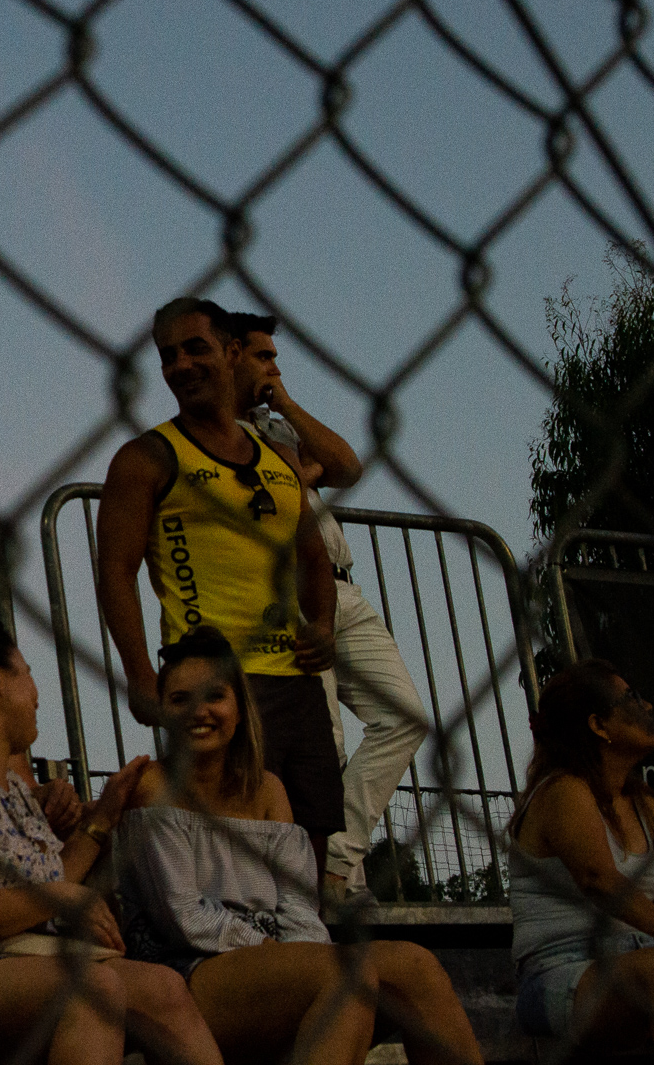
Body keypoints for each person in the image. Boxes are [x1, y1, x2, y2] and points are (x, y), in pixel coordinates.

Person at [118, 630, 483, 1065]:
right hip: (188, 970)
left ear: (239, 708)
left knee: (415, 966)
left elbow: (298, 905)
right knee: (345, 974)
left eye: (215, 696)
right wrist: (281, 954)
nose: (200, 711)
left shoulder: (268, 789)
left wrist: (301, 953)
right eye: (181, 700)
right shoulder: (153, 785)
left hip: (277, 959)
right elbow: (185, 917)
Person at [0, 615, 224, 1065]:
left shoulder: (13, 786)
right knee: (96, 987)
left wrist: (105, 816)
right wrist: (55, 897)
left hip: (39, 954)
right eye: (28, 673)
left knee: (165, 987)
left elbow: (58, 878)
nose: (37, 695)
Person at [96, 296, 342, 877]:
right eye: (168, 356)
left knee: (308, 853)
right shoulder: (146, 457)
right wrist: (140, 675)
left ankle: (307, 935)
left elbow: (313, 557)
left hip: (295, 681)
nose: (180, 364)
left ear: (233, 353)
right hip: (211, 683)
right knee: (226, 863)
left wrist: (324, 625)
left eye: (195, 348)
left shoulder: (277, 459)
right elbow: (115, 571)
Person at [225, 310, 429, 908]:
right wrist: (300, 471)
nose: (274, 366)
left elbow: (345, 465)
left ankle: (339, 858)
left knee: (406, 716)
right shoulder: (216, 433)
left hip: (341, 585)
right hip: (287, 592)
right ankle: (334, 883)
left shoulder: (276, 423)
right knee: (327, 741)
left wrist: (286, 406)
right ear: (233, 356)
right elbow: (287, 482)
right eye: (264, 356)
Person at [507, 660, 654, 1061]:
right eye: (631, 698)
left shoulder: (645, 804)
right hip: (564, 971)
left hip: (649, 958)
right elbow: (598, 879)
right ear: (598, 725)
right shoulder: (562, 789)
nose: (648, 707)